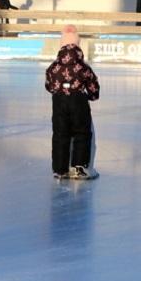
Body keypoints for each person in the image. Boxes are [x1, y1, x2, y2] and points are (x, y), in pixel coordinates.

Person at [45, 25, 100, 180]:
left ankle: (60, 169)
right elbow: (93, 84)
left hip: (59, 101)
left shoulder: (54, 67)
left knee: (60, 134)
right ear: (78, 45)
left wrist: (58, 90)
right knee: (81, 133)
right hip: (78, 101)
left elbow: (48, 85)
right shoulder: (82, 67)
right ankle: (79, 167)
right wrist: (93, 95)